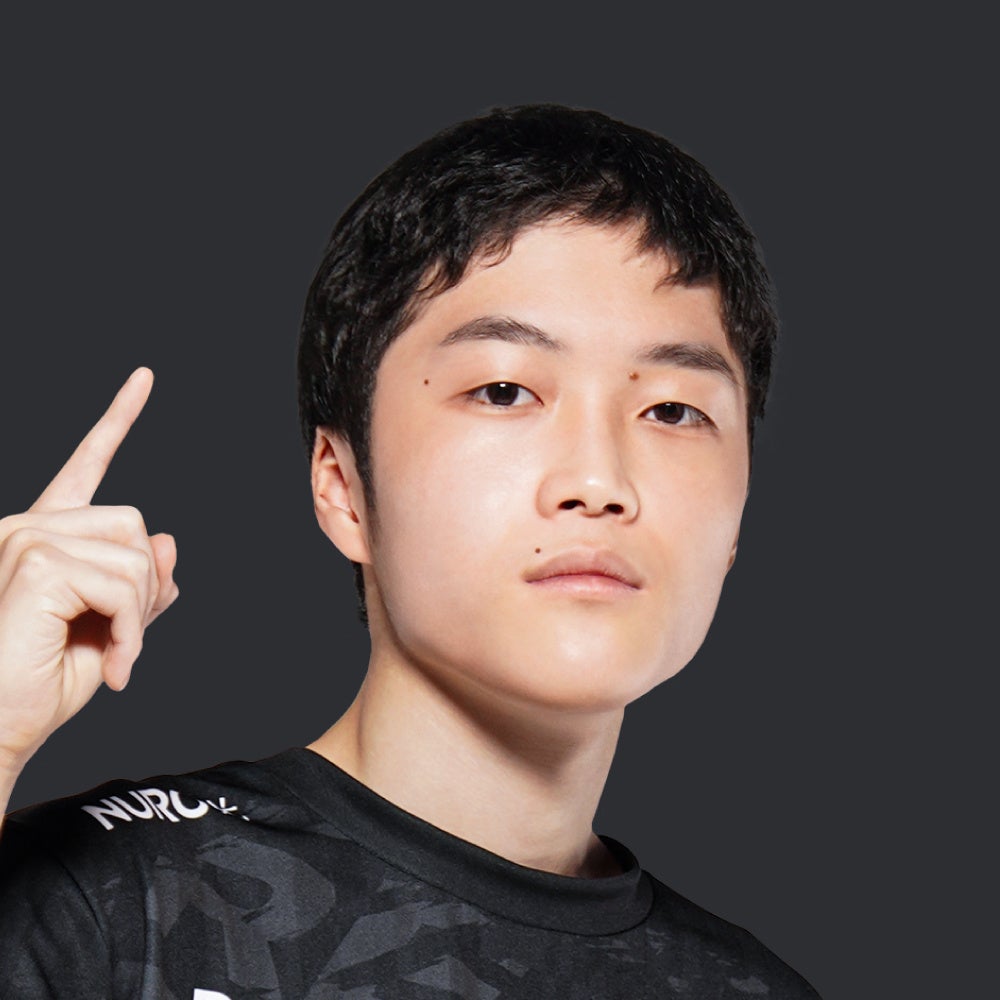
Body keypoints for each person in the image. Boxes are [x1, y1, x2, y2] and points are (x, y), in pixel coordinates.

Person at [0, 105, 821, 997]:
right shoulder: (111, 908)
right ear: (343, 486)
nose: (598, 480)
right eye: (503, 390)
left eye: (672, 410)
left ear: (739, 513)